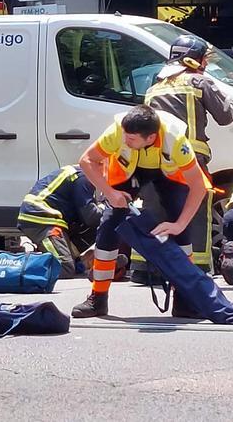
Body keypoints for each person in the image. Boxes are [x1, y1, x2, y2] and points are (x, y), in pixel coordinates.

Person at [71, 105, 211, 318]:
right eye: (125, 136)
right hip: (128, 173)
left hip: (168, 175)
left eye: (132, 139)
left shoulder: (176, 141)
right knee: (109, 225)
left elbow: (199, 186)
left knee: (181, 232)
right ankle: (98, 299)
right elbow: (87, 160)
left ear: (151, 137)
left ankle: (184, 299)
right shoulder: (119, 130)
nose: (125, 141)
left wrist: (178, 224)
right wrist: (110, 193)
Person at [145, 34, 233, 271]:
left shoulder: (154, 87)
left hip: (156, 161)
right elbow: (226, 116)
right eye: (204, 59)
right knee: (195, 209)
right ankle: (199, 266)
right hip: (190, 159)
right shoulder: (199, 81)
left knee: (156, 208)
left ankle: (145, 268)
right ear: (196, 60)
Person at [16, 165, 106, 279]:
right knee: (64, 268)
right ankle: (15, 265)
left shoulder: (82, 174)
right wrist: (106, 207)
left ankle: (80, 262)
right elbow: (90, 216)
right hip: (41, 218)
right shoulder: (84, 177)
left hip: (52, 218)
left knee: (102, 225)